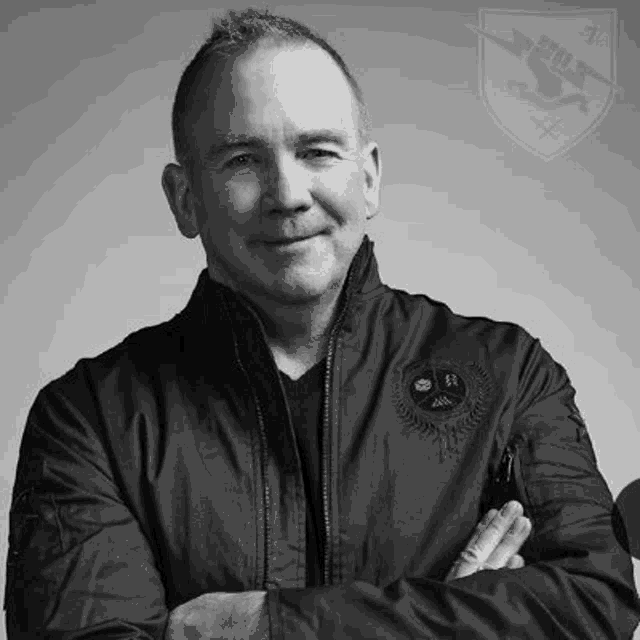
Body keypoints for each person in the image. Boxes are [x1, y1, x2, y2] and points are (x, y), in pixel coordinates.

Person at [5, 7, 640, 640]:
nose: (287, 194)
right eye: (242, 161)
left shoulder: (508, 374)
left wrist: (267, 628)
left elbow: (594, 603)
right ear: (184, 200)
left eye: (317, 152)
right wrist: (452, 622)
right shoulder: (89, 420)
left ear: (368, 180)